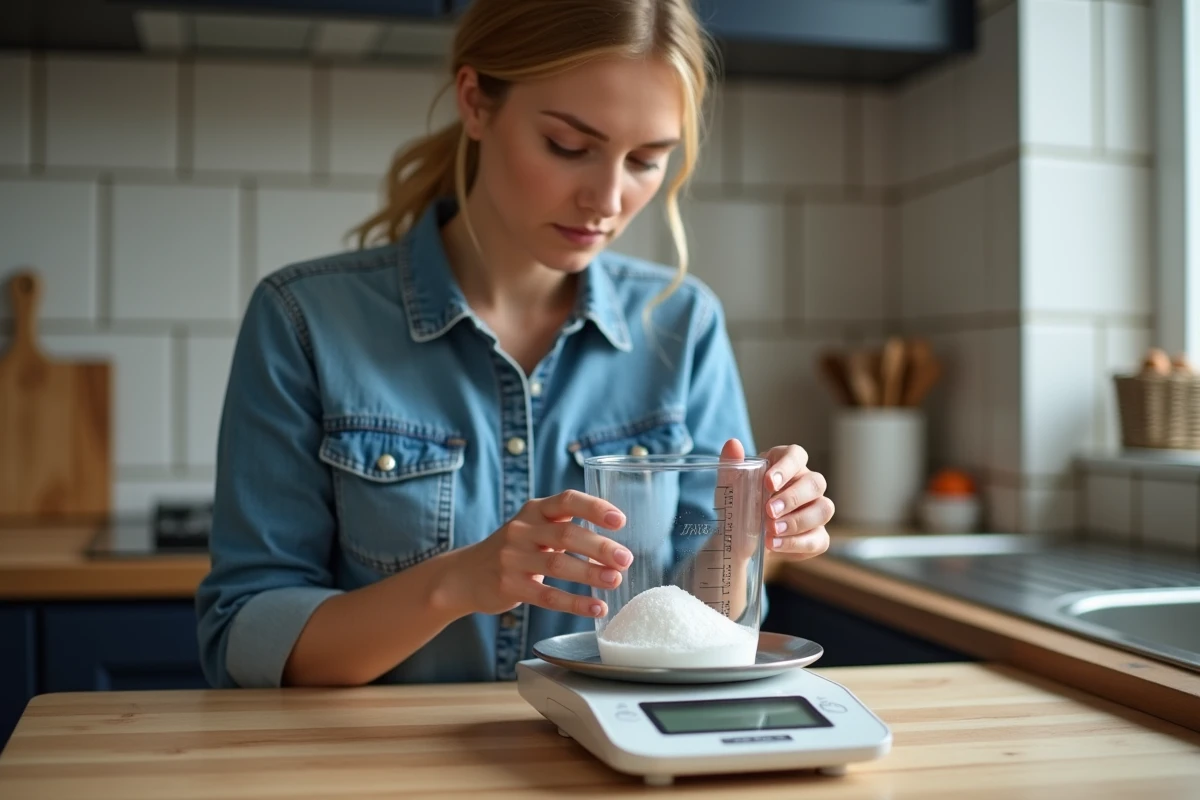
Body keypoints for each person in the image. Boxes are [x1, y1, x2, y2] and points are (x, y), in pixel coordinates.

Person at [195, 0, 834, 689]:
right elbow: (249, 637)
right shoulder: (303, 319)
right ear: (475, 103)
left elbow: (702, 622)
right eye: (568, 146)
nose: (608, 199)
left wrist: (746, 538)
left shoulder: (683, 324)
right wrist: (455, 583)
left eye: (647, 161)